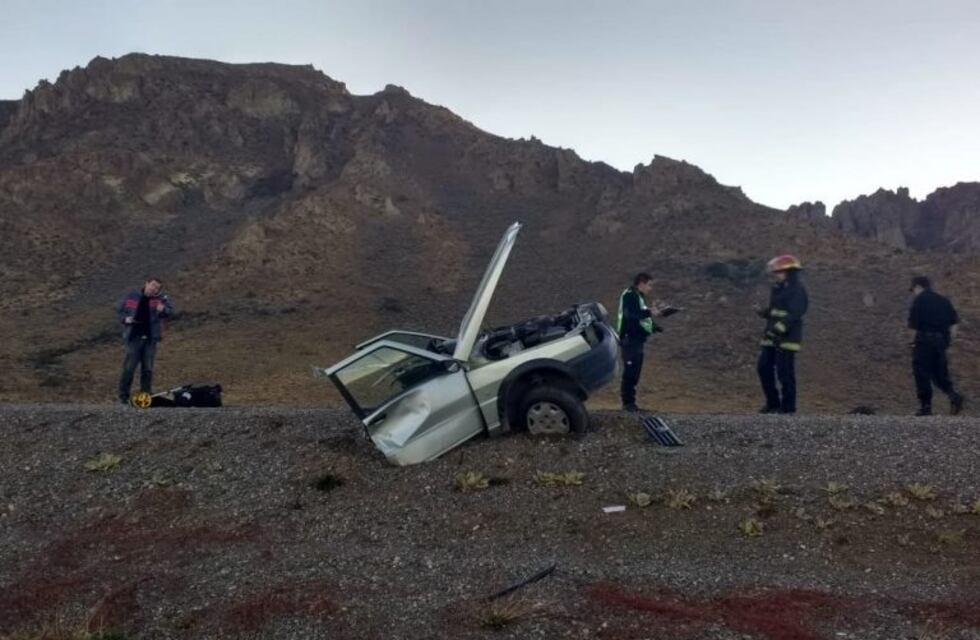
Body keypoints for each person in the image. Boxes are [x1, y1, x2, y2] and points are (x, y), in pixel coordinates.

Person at [756, 255, 808, 414]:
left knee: (784, 373)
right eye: (775, 272)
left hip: (787, 339)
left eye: (779, 272)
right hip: (771, 338)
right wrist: (764, 313)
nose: (776, 275)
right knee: (763, 368)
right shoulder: (778, 289)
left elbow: (794, 314)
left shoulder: (797, 291)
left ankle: (788, 407)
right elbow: (776, 311)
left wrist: (777, 330)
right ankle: (772, 403)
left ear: (789, 273)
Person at [908, 276, 964, 416]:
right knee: (939, 373)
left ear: (918, 286)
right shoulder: (944, 301)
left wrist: (912, 343)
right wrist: (947, 342)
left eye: (913, 289)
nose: (913, 292)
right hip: (940, 342)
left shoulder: (919, 300)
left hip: (924, 341)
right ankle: (954, 396)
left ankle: (926, 407)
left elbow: (913, 327)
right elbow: (954, 324)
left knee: (921, 372)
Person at [117, 277, 174, 405]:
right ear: (147, 283)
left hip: (150, 339)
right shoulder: (132, 295)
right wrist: (126, 319)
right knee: (129, 368)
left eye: (157, 288)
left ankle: (145, 396)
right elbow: (120, 310)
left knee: (147, 368)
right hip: (134, 337)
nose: (154, 289)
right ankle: (123, 396)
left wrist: (163, 309)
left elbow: (170, 312)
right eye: (153, 285)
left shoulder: (161, 299)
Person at [617, 272, 666, 412]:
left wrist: (655, 327)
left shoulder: (639, 297)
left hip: (637, 341)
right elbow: (631, 315)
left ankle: (631, 403)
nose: (650, 288)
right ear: (642, 283)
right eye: (649, 285)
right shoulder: (630, 295)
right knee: (630, 372)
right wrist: (650, 312)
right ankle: (628, 404)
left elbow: (641, 319)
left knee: (635, 372)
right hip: (630, 340)